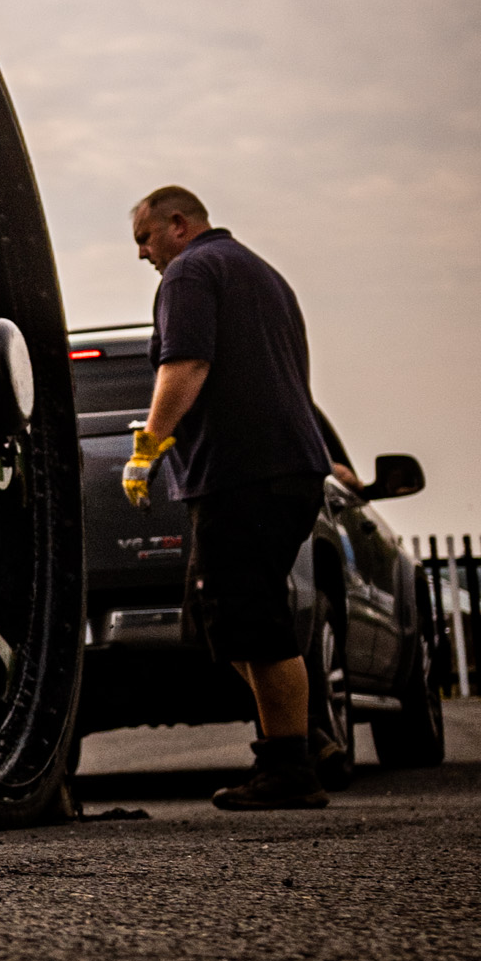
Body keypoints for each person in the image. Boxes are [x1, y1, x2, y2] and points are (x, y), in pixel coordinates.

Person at [123, 185, 355, 813]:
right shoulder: (264, 274)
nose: (142, 254)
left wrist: (147, 448)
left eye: (144, 238)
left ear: (177, 224)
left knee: (252, 617)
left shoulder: (190, 272)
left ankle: (289, 769)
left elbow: (186, 365)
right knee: (219, 618)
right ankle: (305, 740)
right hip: (282, 469)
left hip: (244, 473)